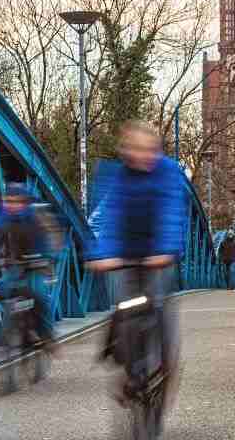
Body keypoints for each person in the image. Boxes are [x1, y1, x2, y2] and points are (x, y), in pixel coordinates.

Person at [87, 121, 189, 410]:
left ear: (156, 150)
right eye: (135, 150)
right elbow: (108, 216)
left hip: (158, 253)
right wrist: (102, 254)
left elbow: (172, 211)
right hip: (126, 254)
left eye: (148, 150)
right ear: (125, 151)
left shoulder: (169, 172)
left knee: (158, 304)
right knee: (124, 308)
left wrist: (166, 250)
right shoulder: (117, 177)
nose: (142, 155)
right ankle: (129, 367)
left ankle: (166, 363)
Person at [0, 183, 61, 351]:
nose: (12, 205)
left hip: (37, 262)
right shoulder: (3, 216)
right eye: (8, 201)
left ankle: (47, 335)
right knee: (6, 291)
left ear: (25, 202)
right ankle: (8, 332)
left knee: (39, 295)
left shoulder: (36, 215)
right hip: (14, 263)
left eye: (17, 201)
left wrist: (47, 258)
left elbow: (50, 239)